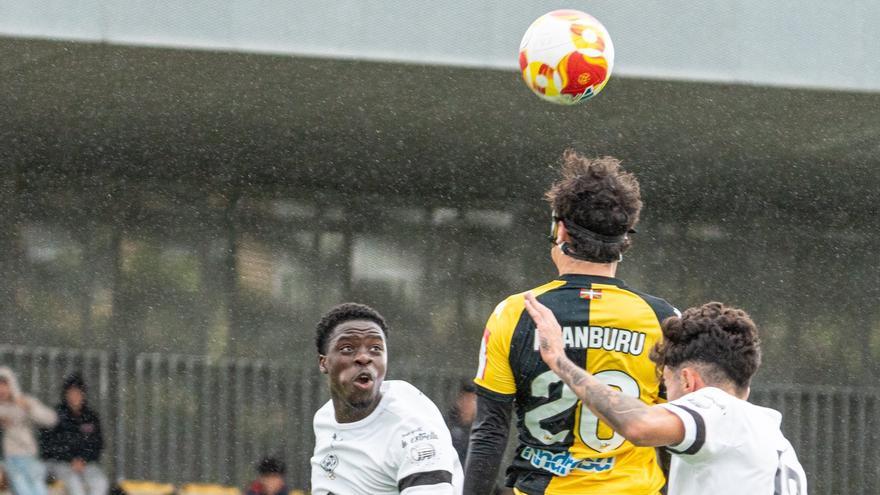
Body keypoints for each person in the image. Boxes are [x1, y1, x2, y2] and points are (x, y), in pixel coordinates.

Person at [465, 151, 678, 495]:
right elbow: (678, 433)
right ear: (626, 239)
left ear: (560, 230)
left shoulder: (516, 311)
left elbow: (490, 432)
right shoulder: (665, 319)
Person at [524, 294, 807, 494]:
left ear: (687, 380)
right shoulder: (771, 437)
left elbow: (638, 426)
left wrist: (559, 360)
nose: (664, 395)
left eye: (666, 381)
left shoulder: (716, 407)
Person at [310, 303, 463, 495]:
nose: (364, 357)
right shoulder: (324, 418)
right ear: (323, 362)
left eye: (375, 348)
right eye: (348, 348)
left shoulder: (412, 429)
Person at [40, 373, 108, 495]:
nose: (74, 396)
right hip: (60, 464)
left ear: (84, 394)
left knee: (100, 482)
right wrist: (69, 459)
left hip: (86, 465)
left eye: (78, 392)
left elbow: (97, 444)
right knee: (74, 484)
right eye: (71, 392)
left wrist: (83, 460)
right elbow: (48, 444)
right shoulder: (55, 415)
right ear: (65, 394)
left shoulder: (91, 417)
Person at [0, 367, 58, 495]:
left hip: (28, 456)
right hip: (7, 460)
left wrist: (29, 407)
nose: (1, 389)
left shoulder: (24, 402)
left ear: (11, 385)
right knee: (19, 483)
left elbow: (51, 419)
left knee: (36, 483)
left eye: (4, 384)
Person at [446, 381, 477, 466]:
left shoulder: (479, 429)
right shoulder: (446, 425)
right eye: (466, 399)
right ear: (459, 400)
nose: (468, 404)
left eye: (472, 400)